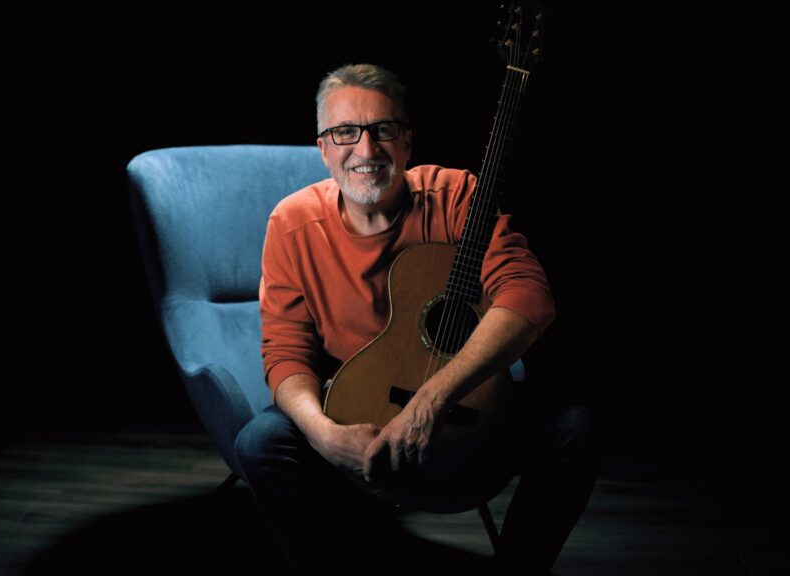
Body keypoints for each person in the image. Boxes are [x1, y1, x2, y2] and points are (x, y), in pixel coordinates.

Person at [235, 63, 598, 573]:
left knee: (575, 429)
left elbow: (529, 294)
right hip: (354, 410)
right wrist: (323, 434)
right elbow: (285, 351)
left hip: (470, 412)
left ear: (407, 142)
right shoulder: (292, 224)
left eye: (384, 129)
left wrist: (432, 397)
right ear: (322, 149)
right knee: (260, 442)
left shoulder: (458, 197)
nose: (366, 150)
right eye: (345, 132)